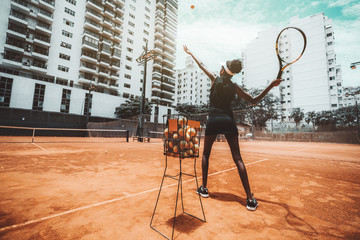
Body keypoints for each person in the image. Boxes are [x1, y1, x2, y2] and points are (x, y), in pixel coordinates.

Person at [183, 45, 281, 211]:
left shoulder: (214, 79)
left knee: (206, 154)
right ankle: (250, 199)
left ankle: (204, 189)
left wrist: (191, 52)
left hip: (213, 120)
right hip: (228, 120)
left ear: (223, 70)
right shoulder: (234, 87)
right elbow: (253, 100)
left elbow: (200, 64)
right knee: (238, 159)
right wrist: (271, 85)